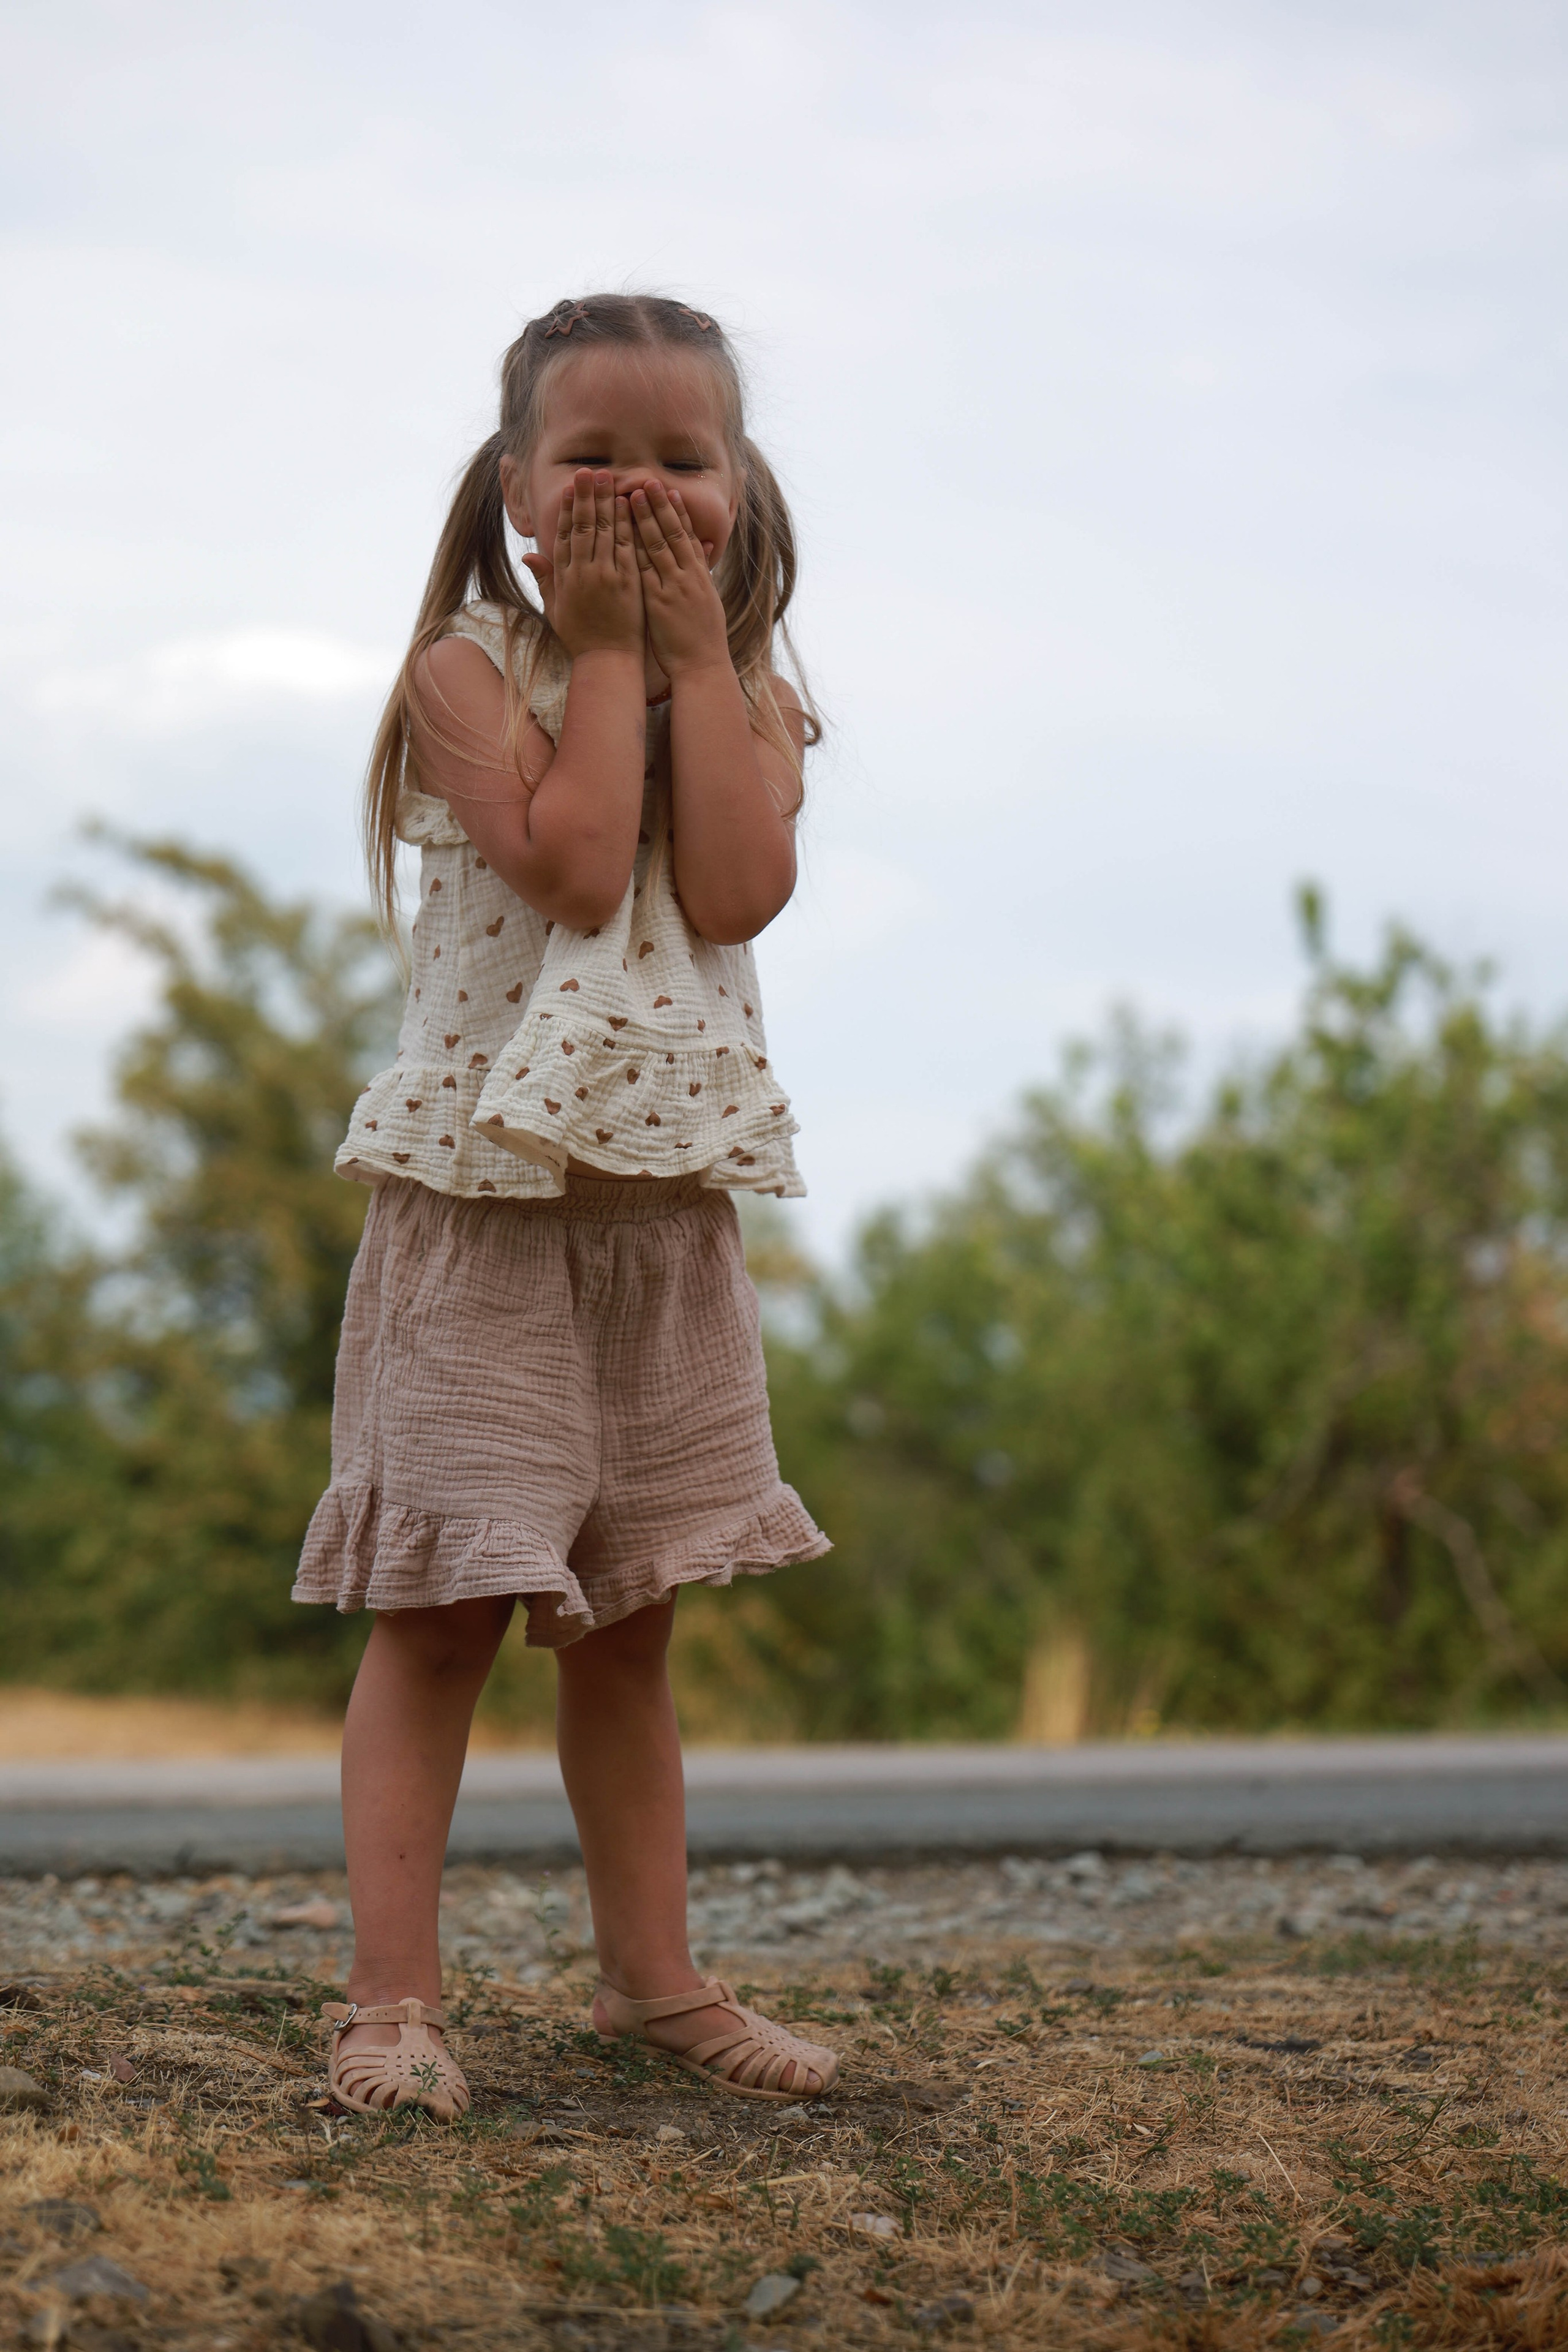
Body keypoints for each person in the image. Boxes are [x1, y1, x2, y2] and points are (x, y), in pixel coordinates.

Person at [293, 293, 840, 2120]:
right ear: (520, 489)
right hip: (487, 1218)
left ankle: (655, 1985)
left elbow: (743, 887)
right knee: (440, 1616)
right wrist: (608, 646)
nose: (638, 485)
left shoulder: (749, 687)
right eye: (594, 454)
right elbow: (587, 860)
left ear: (740, 490)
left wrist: (690, 656)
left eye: (682, 460)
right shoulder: (470, 673)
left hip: (660, 1222)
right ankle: (391, 2003)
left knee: (634, 1623)